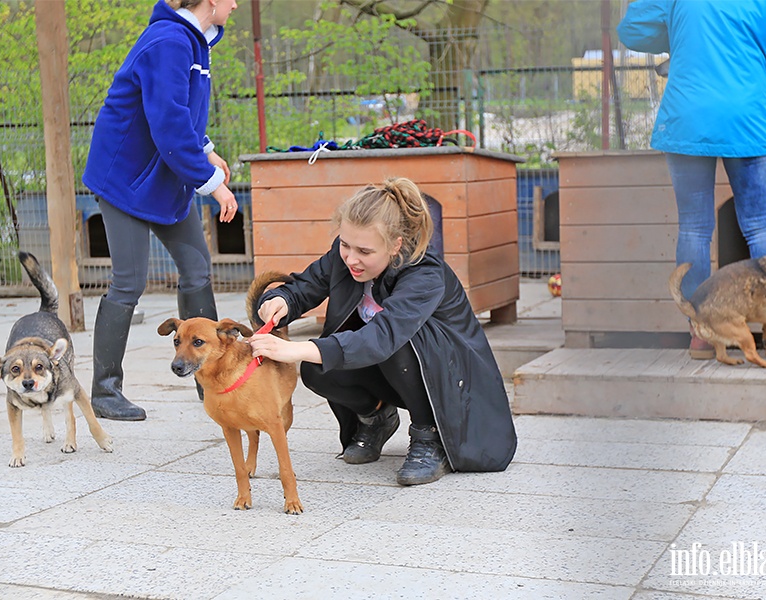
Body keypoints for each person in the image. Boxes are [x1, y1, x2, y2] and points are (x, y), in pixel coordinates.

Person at [248, 177, 517, 486]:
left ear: (396, 246)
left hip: (448, 382)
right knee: (317, 368)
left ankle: (429, 436)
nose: (350, 258)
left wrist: (300, 348)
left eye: (364, 251)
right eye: (345, 244)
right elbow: (305, 286)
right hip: (391, 367)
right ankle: (375, 418)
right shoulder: (345, 256)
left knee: (391, 343)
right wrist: (279, 300)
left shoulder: (425, 274)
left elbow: (384, 336)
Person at [617, 0, 766, 359]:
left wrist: (682, 36)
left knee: (694, 228)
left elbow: (632, 30)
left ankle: (701, 334)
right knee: (761, 224)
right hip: (746, 117)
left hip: (688, 116)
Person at [82, 0, 239, 420]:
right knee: (129, 281)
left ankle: (210, 377)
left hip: (162, 177)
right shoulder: (169, 41)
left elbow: (182, 114)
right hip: (124, 181)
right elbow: (167, 123)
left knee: (196, 270)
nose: (236, 4)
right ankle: (105, 391)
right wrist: (214, 186)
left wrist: (205, 150)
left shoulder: (194, 42)